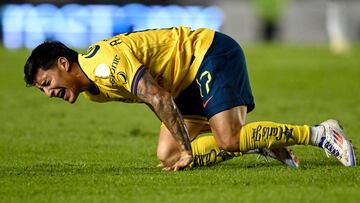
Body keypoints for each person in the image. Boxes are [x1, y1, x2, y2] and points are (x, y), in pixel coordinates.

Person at [24, 26, 356, 171]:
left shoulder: (103, 66)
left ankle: (321, 133)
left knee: (225, 139)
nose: (50, 92)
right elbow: (158, 98)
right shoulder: (94, 92)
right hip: (183, 83)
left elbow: (158, 97)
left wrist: (188, 146)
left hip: (209, 54)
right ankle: (257, 141)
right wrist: (180, 145)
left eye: (48, 82)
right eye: (43, 91)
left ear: (64, 64)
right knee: (168, 157)